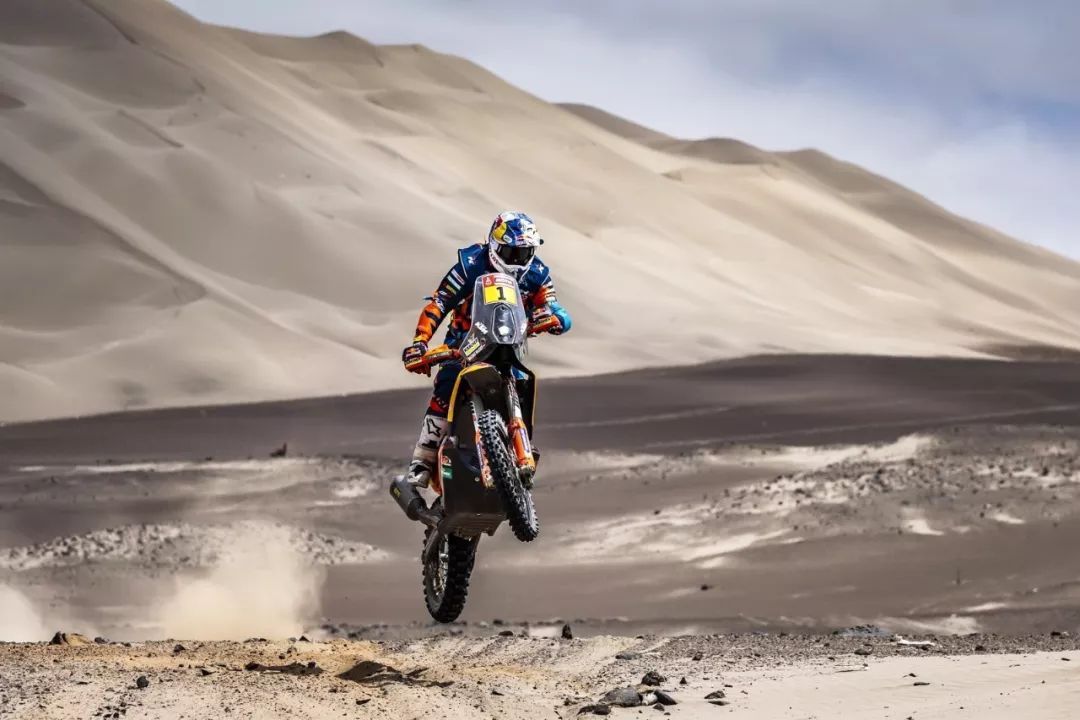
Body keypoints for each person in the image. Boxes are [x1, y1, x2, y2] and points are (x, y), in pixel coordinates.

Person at [400, 211, 572, 485]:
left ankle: (519, 450)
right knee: (446, 385)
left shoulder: (538, 273)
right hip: (466, 341)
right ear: (494, 245)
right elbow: (440, 302)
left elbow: (554, 306)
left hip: (509, 343)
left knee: (522, 383)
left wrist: (554, 318)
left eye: (525, 253)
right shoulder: (470, 264)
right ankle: (422, 459)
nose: (518, 260)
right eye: (511, 252)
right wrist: (420, 342)